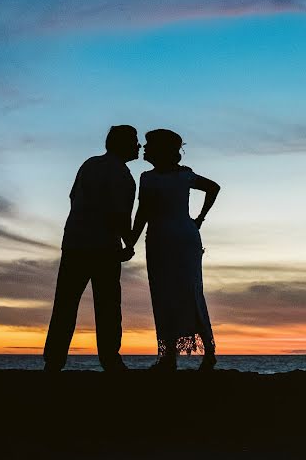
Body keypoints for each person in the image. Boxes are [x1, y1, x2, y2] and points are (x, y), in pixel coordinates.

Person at [43, 125, 141, 372]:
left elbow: (73, 196)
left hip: (74, 243)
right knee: (108, 306)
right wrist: (128, 242)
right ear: (122, 145)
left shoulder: (90, 165)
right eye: (135, 141)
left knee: (65, 304)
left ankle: (54, 361)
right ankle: (110, 359)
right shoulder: (122, 176)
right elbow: (118, 214)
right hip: (103, 247)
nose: (138, 146)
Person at [130, 129, 220, 371]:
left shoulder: (183, 175)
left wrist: (199, 219)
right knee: (165, 294)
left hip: (180, 240)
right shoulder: (148, 177)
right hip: (161, 240)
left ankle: (206, 353)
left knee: (187, 292)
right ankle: (169, 355)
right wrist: (130, 241)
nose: (145, 149)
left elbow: (213, 187)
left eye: (149, 145)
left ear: (161, 150)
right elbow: (143, 213)